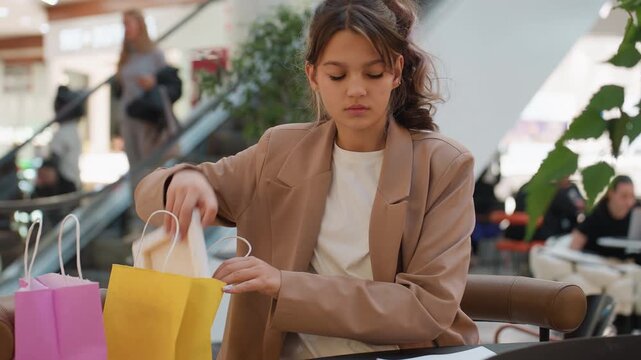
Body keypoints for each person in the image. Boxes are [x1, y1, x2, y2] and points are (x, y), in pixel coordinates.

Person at [135, 1, 478, 358]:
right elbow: (147, 196)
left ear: (396, 72)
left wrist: (285, 286)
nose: (356, 89)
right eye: (337, 75)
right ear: (313, 76)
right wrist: (182, 181)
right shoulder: (279, 152)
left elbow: (424, 309)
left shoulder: (443, 166)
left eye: (373, 73)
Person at [114, 9, 171, 169]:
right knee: (134, 166)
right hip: (127, 115)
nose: (125, 28)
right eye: (123, 25)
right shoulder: (126, 56)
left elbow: (167, 81)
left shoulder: (155, 54)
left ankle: (152, 193)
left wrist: (154, 81)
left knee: (150, 164)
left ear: (139, 25)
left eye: (128, 24)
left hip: (146, 116)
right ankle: (137, 193)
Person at [570, 175, 640, 264]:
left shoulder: (637, 211)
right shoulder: (596, 214)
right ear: (611, 193)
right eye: (624, 196)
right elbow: (575, 245)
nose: (629, 202)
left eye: (631, 196)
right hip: (598, 266)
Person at [50, 85, 85, 188]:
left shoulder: (63, 132)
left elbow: (54, 158)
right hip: (74, 179)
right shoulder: (73, 130)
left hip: (65, 181)